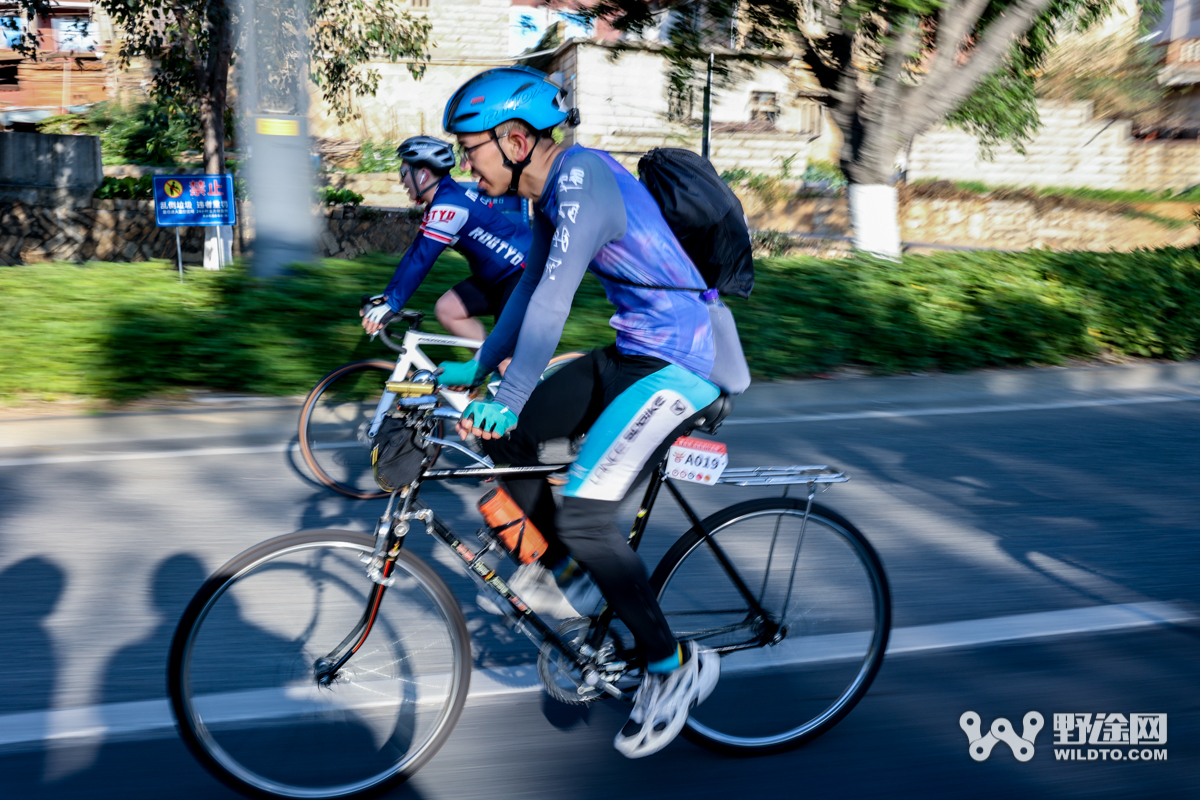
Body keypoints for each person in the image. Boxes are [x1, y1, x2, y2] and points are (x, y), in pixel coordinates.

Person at [437, 66, 722, 759]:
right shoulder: (544, 197)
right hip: (632, 354)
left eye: (467, 148)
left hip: (680, 368)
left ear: (513, 138)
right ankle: (580, 582)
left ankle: (671, 666)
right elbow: (527, 291)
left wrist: (504, 393)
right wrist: (481, 369)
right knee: (518, 442)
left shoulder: (581, 178)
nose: (462, 163)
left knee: (585, 512)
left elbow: (556, 302)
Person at [360, 135, 532, 368]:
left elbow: (423, 261)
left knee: (504, 361)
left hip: (520, 272)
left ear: (422, 174)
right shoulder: (441, 202)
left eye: (403, 174)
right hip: (498, 275)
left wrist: (393, 307)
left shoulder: (448, 207)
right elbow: (414, 254)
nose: (402, 182)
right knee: (448, 309)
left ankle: (508, 382)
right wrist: (388, 297)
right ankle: (483, 370)